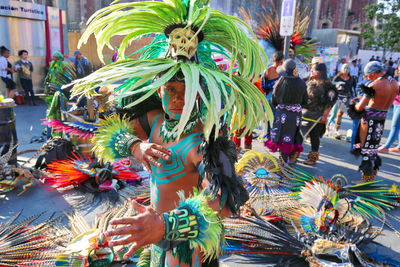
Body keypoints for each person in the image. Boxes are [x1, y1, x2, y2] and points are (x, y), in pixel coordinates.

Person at [68, 1, 271, 265]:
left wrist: (166, 225)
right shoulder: (153, 122)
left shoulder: (203, 143)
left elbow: (224, 201)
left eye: (187, 91)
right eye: (171, 90)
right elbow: (109, 129)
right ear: (160, 91)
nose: (178, 99)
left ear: (200, 94)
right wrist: (135, 147)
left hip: (185, 244)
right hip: (154, 232)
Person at [351, 61, 399, 181]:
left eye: (368, 75)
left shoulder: (374, 85)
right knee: (372, 148)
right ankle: (371, 175)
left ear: (373, 73)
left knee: (366, 149)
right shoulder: (395, 84)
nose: (367, 78)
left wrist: (354, 104)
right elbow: (380, 99)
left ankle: (366, 179)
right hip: (381, 119)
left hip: (369, 120)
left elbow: (360, 108)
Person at [265, 59, 308, 164]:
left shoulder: (281, 82)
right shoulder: (302, 83)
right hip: (295, 116)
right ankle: (289, 159)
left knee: (282, 138)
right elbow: (305, 101)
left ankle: (284, 161)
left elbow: (274, 101)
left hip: (282, 115)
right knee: (292, 137)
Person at [301, 63, 338, 165]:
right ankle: (294, 154)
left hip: (318, 115)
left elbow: (330, 103)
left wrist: (325, 116)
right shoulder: (311, 81)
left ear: (320, 72)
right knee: (300, 134)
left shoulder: (328, 86)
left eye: (313, 70)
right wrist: (309, 79)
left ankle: (312, 158)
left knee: (314, 136)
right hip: (306, 113)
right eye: (311, 70)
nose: (311, 71)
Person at [331, 64, 353, 139]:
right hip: (337, 97)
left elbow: (351, 89)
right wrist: (336, 86)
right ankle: (330, 128)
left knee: (340, 114)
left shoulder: (351, 78)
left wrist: (352, 98)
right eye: (344, 68)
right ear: (341, 69)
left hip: (346, 98)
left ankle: (336, 130)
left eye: (347, 68)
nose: (346, 69)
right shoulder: (337, 77)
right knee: (334, 113)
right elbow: (332, 86)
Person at [378, 89, 400, 154]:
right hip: (396, 102)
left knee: (395, 126)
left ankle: (386, 147)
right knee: (397, 126)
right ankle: (399, 147)